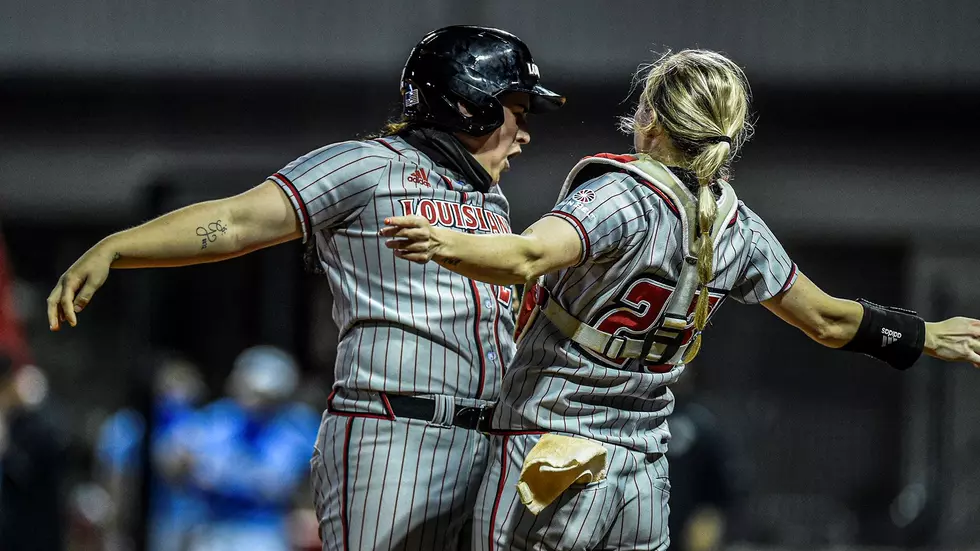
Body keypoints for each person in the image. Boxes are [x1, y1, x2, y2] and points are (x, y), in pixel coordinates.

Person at [380, 49, 980, 550]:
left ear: (654, 122)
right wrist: (924, 333)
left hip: (554, 452)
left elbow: (526, 255)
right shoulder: (735, 224)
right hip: (644, 476)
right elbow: (827, 320)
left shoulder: (623, 195)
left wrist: (444, 241)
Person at [46, 25, 564, 550]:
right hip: (397, 433)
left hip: (487, 438)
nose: (524, 133)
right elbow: (238, 220)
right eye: (516, 110)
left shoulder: (492, 204)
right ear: (468, 104)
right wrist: (116, 247)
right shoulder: (366, 165)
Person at [159, 346, 319, 551]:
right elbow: (173, 457)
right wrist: (180, 462)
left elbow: (277, 483)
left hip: (263, 532)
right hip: (212, 528)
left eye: (264, 395)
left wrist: (215, 472)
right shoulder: (221, 418)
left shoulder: (295, 426)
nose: (254, 400)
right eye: (249, 390)